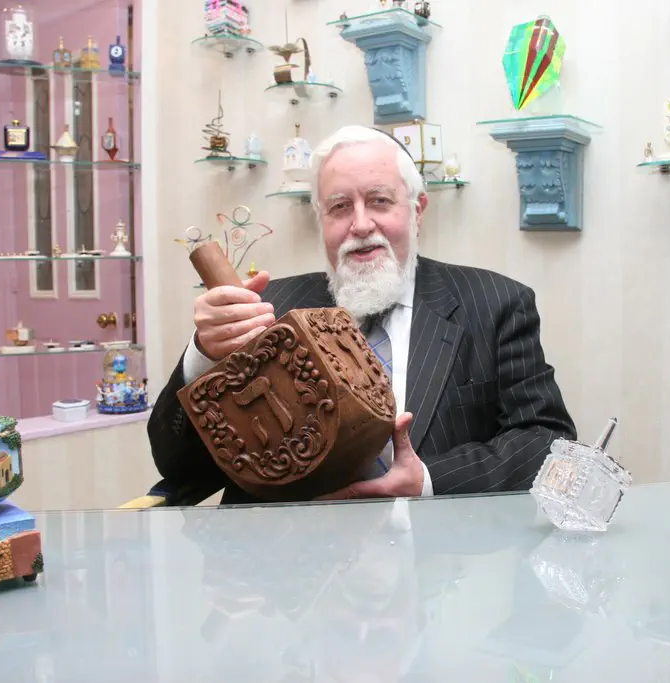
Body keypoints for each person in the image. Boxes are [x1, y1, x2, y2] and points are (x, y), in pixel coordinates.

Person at [147, 125, 576, 505]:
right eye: (339, 207)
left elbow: (545, 441)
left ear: (417, 210)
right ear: (321, 221)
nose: (361, 224)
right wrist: (203, 356)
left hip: (434, 556)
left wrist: (429, 481)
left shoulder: (495, 304)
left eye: (379, 201)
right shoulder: (266, 312)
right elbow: (178, 466)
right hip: (285, 555)